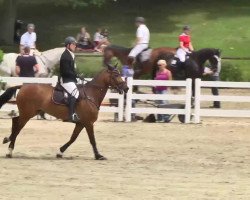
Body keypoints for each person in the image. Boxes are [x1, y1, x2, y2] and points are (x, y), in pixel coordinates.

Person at [59, 36, 80, 123]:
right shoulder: (65, 56)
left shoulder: (71, 55)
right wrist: (76, 75)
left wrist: (77, 75)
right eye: (73, 44)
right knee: (75, 93)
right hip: (66, 80)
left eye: (75, 44)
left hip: (70, 79)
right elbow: (66, 71)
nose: (75, 46)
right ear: (68, 45)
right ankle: (71, 115)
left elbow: (72, 69)